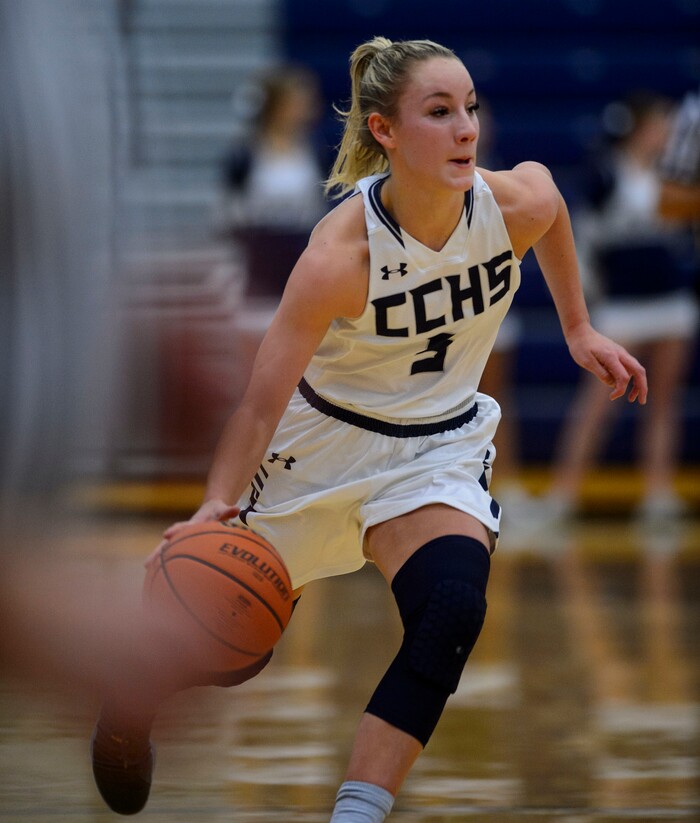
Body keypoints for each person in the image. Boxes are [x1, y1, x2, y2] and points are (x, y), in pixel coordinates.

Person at [90, 37, 647, 820]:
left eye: (471, 109)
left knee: (452, 609)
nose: (466, 129)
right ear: (384, 131)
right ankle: (133, 697)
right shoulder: (338, 256)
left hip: (437, 449)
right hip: (319, 447)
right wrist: (214, 501)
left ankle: (358, 811)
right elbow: (257, 402)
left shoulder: (510, 203)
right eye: (440, 112)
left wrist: (579, 328)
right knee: (230, 643)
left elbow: (550, 208)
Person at [541, 92, 697, 523]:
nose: (668, 134)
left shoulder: (676, 176)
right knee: (596, 404)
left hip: (671, 301)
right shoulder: (604, 174)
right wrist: (590, 300)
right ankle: (563, 496)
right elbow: (578, 242)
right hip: (621, 306)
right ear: (640, 127)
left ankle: (658, 496)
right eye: (661, 125)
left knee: (663, 403)